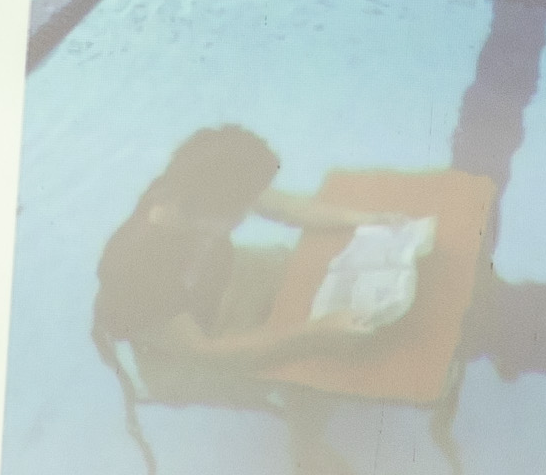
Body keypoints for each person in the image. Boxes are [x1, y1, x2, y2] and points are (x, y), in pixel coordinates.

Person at [88, 125, 390, 381]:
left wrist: (362, 218)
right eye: (241, 210)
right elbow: (203, 351)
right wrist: (313, 332)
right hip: (184, 354)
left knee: (318, 270)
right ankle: (304, 432)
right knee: (311, 366)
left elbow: (284, 206)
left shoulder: (190, 186)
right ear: (214, 213)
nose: (247, 213)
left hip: (218, 283)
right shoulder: (138, 269)